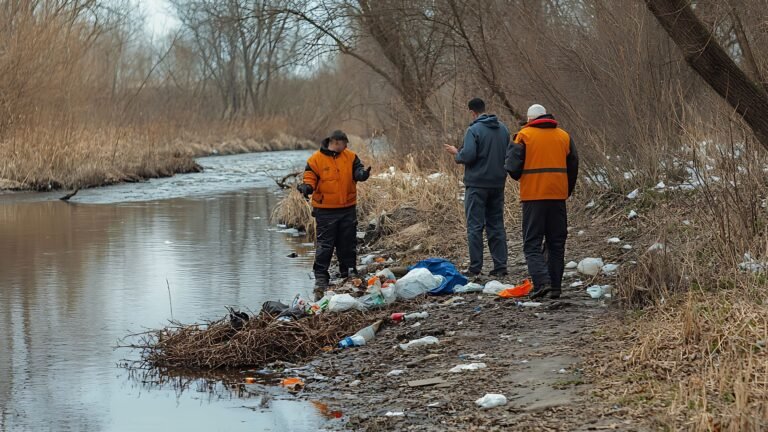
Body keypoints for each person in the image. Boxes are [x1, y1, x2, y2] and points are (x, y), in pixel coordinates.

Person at [505, 104, 579, 299]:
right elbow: (573, 166)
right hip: (558, 197)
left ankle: (542, 283)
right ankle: (555, 287)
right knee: (556, 243)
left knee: (532, 244)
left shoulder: (523, 135)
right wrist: (565, 190)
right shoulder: (564, 136)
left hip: (533, 197)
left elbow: (512, 167)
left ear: (529, 120)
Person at [297, 130, 371, 300]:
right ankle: (321, 278)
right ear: (336, 142)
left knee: (348, 242)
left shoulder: (351, 157)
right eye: (345, 143)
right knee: (325, 244)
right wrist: (306, 188)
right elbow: (309, 178)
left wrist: (362, 175)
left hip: (347, 208)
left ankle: (349, 271)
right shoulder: (315, 160)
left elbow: (357, 171)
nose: (346, 147)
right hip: (325, 210)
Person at [444, 98, 510, 277]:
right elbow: (508, 154)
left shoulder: (473, 130)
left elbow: (469, 155)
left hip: (477, 185)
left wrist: (457, 153)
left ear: (472, 112)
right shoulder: (503, 129)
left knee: (475, 226)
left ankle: (475, 267)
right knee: (496, 225)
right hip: (497, 184)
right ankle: (500, 266)